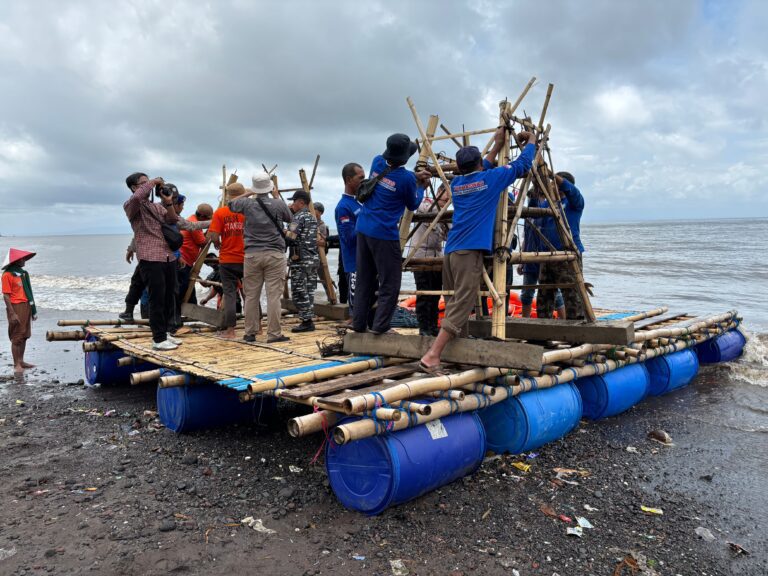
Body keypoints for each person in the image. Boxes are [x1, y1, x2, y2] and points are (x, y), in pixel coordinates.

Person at [419, 128, 537, 373]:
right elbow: (522, 164)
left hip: (451, 252)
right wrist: (533, 141)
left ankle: (459, 351)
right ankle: (433, 354)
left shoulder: (458, 183)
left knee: (453, 301)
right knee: (463, 303)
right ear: (478, 165)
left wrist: (496, 146)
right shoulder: (490, 180)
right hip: (468, 251)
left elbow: (482, 165)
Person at [353, 134, 430, 334]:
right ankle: (381, 327)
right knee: (390, 283)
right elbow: (413, 203)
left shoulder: (377, 162)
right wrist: (420, 187)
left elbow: (392, 177)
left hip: (363, 228)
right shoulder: (405, 179)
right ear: (405, 159)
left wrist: (414, 178)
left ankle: (359, 325)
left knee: (364, 280)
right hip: (384, 235)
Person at [229, 173, 292, 343]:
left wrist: (248, 193)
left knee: (251, 295)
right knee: (273, 296)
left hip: (252, 254)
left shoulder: (247, 203)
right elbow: (289, 217)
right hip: (275, 254)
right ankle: (274, 334)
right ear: (270, 187)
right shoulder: (278, 204)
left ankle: (250, 332)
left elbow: (231, 204)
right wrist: (277, 196)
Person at [123, 172, 182, 350]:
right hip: (150, 257)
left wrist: (168, 201)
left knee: (168, 297)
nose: (148, 185)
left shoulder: (156, 207)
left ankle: (164, 334)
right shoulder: (131, 205)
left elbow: (172, 219)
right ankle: (158, 339)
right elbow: (137, 198)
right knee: (156, 298)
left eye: (148, 182)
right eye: (143, 183)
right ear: (134, 187)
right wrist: (154, 181)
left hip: (167, 255)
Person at [536, 170, 585, 320]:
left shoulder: (573, 203)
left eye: (554, 183)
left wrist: (552, 176)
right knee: (544, 294)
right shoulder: (548, 204)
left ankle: (575, 334)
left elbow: (571, 190)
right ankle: (543, 332)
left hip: (567, 254)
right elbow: (536, 216)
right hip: (548, 255)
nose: (551, 185)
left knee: (572, 295)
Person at [516, 185, 565, 318]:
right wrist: (521, 261)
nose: (531, 201)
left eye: (535, 197)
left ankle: (564, 320)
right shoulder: (528, 217)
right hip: (529, 260)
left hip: (543, 258)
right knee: (526, 293)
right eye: (530, 198)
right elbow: (526, 237)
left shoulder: (546, 214)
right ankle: (526, 322)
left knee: (556, 294)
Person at [207, 182, 246, 339]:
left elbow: (214, 235)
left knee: (229, 294)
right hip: (247, 257)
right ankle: (257, 328)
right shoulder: (249, 210)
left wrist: (217, 243)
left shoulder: (220, 212)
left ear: (227, 196)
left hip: (227, 259)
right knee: (250, 293)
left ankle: (230, 331)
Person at [412, 183, 450, 336]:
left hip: (436, 256)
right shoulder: (425, 204)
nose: (449, 198)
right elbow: (425, 209)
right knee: (424, 294)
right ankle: (424, 328)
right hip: (421, 256)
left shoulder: (445, 213)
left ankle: (433, 326)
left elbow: (449, 232)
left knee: (435, 294)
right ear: (439, 192)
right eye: (447, 194)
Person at [335, 162, 365, 317]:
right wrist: (366, 220)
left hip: (367, 261)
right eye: (361, 178)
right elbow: (348, 238)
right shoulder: (344, 206)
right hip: (354, 263)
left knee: (370, 300)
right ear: (348, 180)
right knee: (357, 306)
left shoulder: (361, 201)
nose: (364, 181)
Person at [286, 190, 319, 333]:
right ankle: (308, 318)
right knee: (309, 291)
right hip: (313, 258)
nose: (292, 205)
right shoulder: (312, 217)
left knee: (299, 291)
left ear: (301, 202)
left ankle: (307, 321)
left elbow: (291, 237)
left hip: (300, 260)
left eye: (294, 202)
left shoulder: (298, 217)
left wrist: (282, 230)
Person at [2, 248, 37, 374]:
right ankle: (16, 364)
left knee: (25, 335)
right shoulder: (7, 275)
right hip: (16, 307)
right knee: (17, 336)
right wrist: (12, 313)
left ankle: (21, 361)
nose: (24, 261)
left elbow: (29, 292)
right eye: (22, 259)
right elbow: (6, 295)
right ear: (16, 261)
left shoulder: (22, 274)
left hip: (26, 306)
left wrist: (33, 310)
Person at [178, 201, 214, 306]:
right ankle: (175, 316)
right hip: (183, 262)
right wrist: (212, 230)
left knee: (189, 292)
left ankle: (188, 316)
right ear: (202, 217)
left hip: (185, 261)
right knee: (182, 290)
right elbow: (203, 242)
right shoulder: (194, 225)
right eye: (208, 219)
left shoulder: (191, 219)